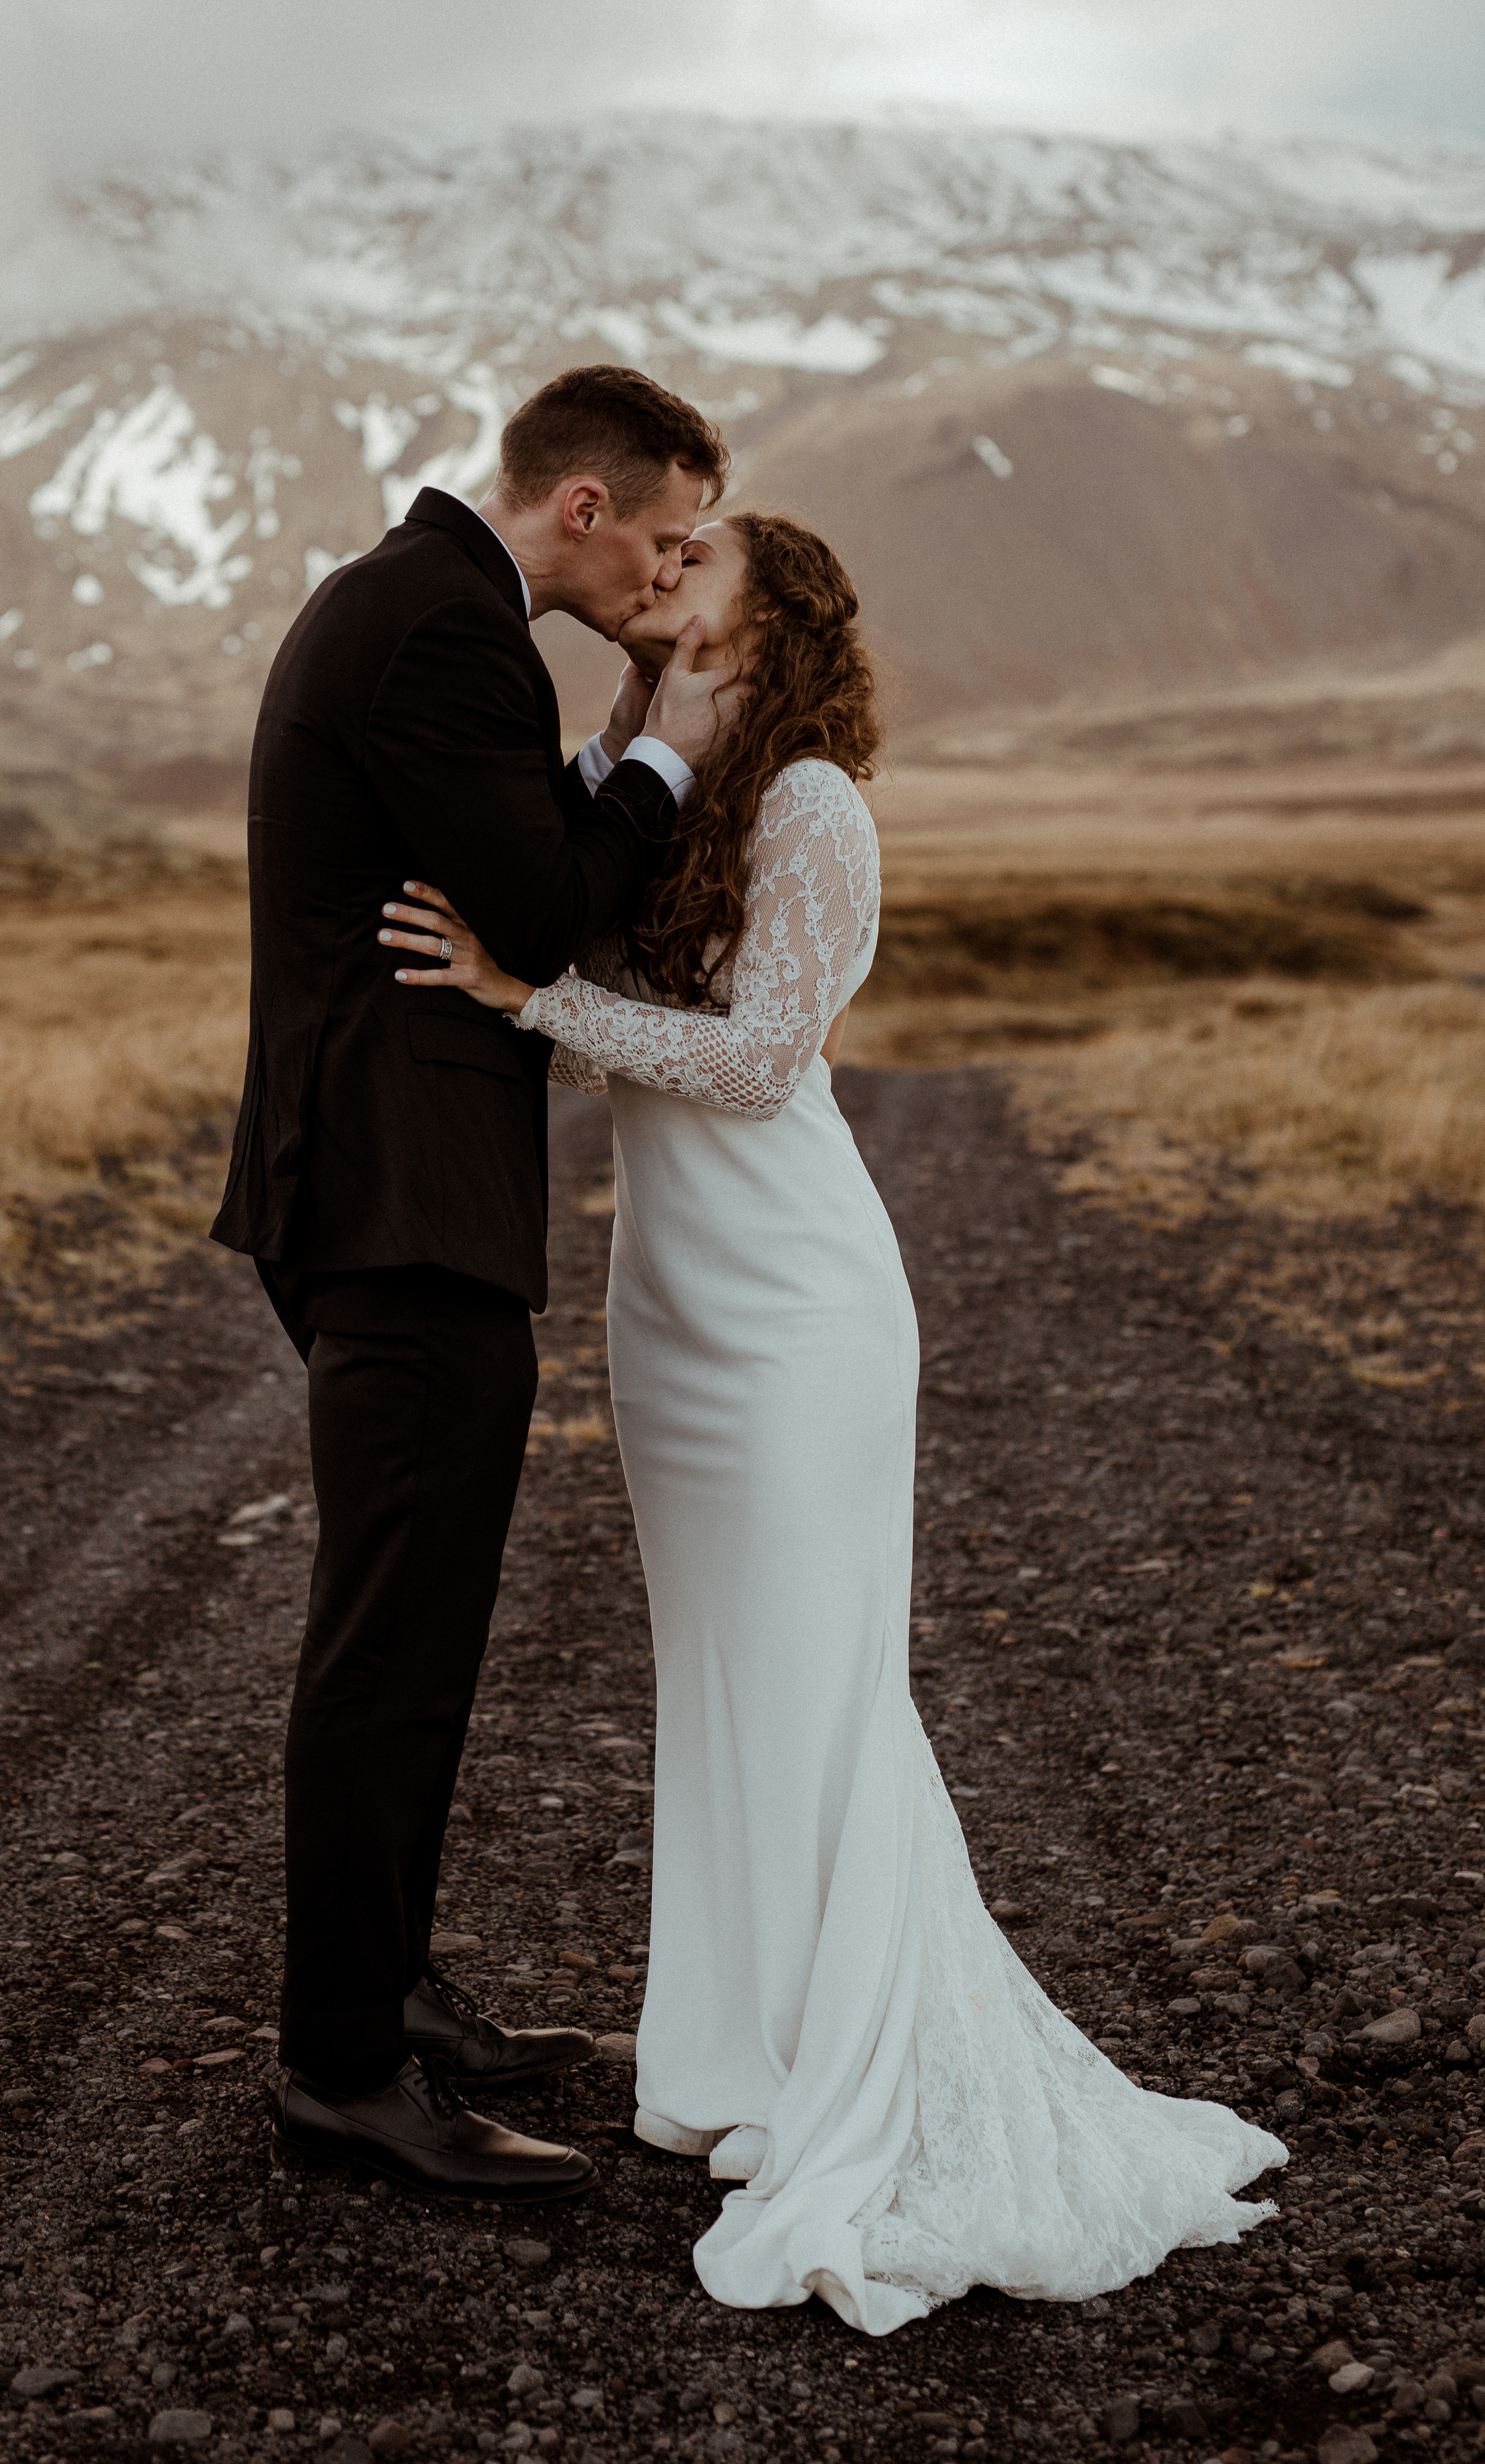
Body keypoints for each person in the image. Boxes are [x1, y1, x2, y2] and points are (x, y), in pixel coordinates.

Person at [375, 508, 1288, 2323]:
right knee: (717, 1681)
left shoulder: (811, 810)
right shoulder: (643, 783)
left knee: (816, 1682)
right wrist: (514, 962)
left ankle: (855, 2074)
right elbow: (573, 960)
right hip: (674, 1311)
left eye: (695, 560)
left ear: (772, 615)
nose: (661, 571)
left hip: (799, 1306)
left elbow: (761, 1060)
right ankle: (733, 2060)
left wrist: (532, 995)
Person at [211, 366, 742, 2203]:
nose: (675, 572)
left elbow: (512, 871)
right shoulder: (443, 630)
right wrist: (671, 741)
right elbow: (542, 910)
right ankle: (344, 2068)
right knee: (395, 1642)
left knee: (416, 1622)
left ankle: (391, 1993)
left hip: (368, 1184)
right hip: (397, 1199)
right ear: (584, 504)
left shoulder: (414, 605)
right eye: (668, 532)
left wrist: (620, 735)